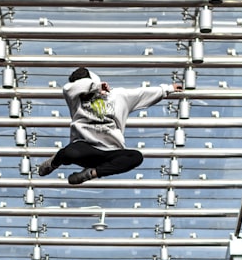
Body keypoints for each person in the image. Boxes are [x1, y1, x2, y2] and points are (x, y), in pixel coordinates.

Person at [38, 67, 183, 185]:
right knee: (69, 152)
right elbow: (68, 89)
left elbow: (142, 94)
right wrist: (95, 86)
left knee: (135, 157)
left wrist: (168, 89)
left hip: (110, 152)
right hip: (85, 148)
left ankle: (90, 174)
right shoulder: (75, 100)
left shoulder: (117, 96)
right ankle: (52, 164)